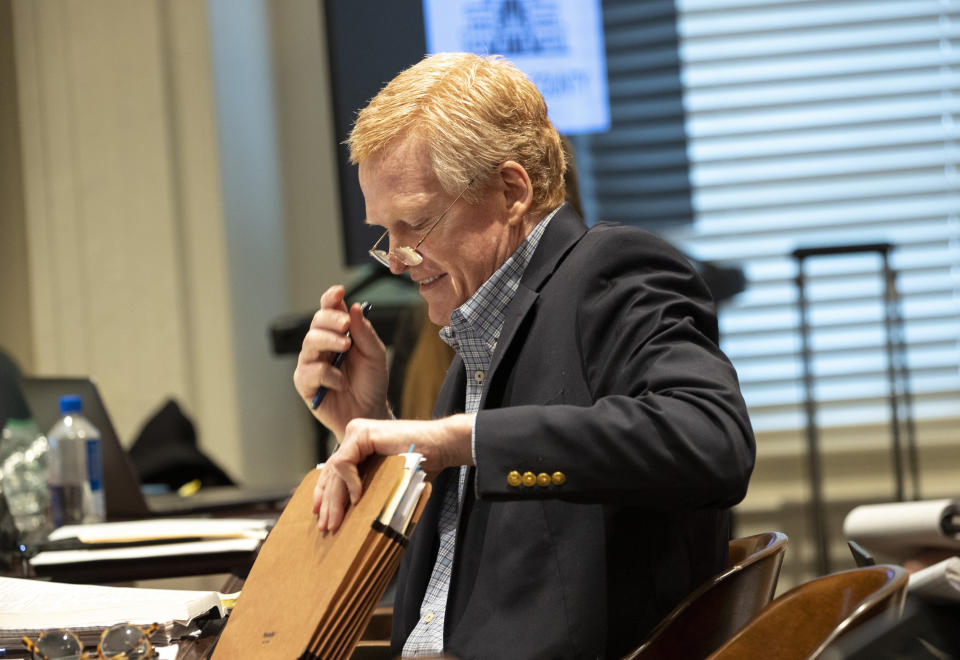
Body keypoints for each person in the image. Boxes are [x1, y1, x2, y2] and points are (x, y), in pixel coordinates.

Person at [293, 52, 755, 659]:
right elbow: (448, 587)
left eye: (416, 224)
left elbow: (712, 441)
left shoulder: (608, 271)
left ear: (511, 191)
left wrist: (459, 439)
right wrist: (367, 426)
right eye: (386, 233)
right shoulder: (480, 336)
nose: (398, 260)